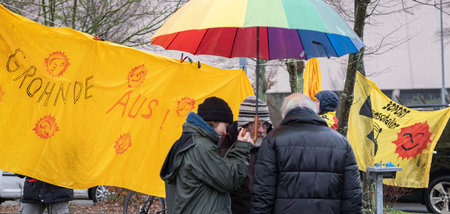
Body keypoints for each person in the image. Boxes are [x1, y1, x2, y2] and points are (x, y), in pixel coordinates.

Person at [252, 93, 362, 214]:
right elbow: (353, 195)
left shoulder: (272, 140)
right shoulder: (341, 143)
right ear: (315, 111)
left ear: (284, 115)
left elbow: (263, 193)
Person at [160, 96, 253, 214]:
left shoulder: (189, 141)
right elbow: (230, 179)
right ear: (215, 121)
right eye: (225, 126)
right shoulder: (201, 147)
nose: (225, 132)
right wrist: (241, 147)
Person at [219, 95, 272, 214]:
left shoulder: (272, 147)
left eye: (265, 125)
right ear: (244, 125)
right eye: (257, 124)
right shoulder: (225, 146)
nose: (262, 131)